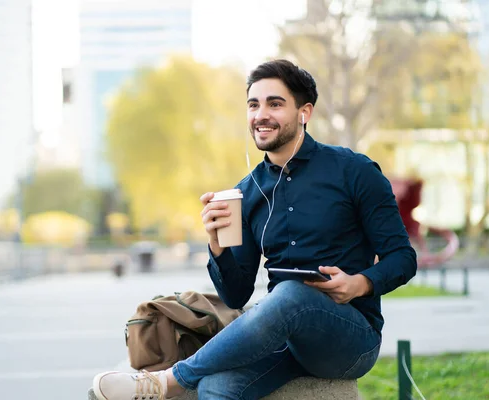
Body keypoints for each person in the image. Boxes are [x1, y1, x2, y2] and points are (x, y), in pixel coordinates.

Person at [92, 59, 417, 400]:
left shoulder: (355, 170)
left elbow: (403, 258)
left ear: (304, 112)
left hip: (351, 338)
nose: (261, 115)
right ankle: (179, 381)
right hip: (284, 340)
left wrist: (359, 283)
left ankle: (165, 382)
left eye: (274, 104)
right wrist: (217, 247)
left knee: (291, 295)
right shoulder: (245, 193)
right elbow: (236, 296)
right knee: (216, 387)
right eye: (253, 105)